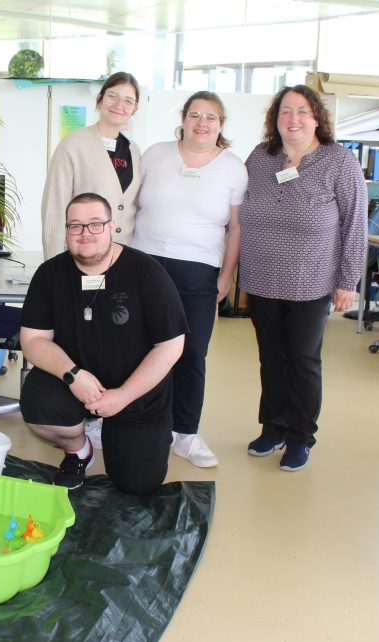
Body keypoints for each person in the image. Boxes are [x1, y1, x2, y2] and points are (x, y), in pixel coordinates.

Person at [19, 193, 187, 494]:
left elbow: (171, 345)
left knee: (138, 482)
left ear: (112, 227)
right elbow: (33, 340)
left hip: (135, 390)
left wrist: (122, 396)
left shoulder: (148, 274)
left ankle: (131, 433)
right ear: (66, 231)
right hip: (76, 380)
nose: (85, 234)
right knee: (38, 407)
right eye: (76, 226)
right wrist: (73, 375)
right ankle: (79, 450)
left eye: (95, 224)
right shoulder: (49, 275)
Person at [239, 84, 367, 472]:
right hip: (261, 277)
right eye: (285, 112)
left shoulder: (339, 162)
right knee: (270, 358)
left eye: (302, 112)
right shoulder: (260, 158)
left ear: (317, 119)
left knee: (302, 359)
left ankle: (300, 436)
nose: (293, 119)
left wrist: (349, 280)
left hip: (310, 280)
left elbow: (355, 223)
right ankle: (273, 427)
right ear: (274, 120)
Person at [132, 91, 248, 469]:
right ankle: (130, 420)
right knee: (137, 346)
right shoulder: (155, 154)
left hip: (199, 269)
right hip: (145, 262)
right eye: (195, 114)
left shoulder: (233, 168)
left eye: (210, 117)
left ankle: (185, 433)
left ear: (221, 125)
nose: (202, 122)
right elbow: (128, 206)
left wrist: (227, 275)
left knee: (192, 351)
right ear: (183, 118)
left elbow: (236, 228)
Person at [41, 72, 142, 261]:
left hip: (121, 260)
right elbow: (53, 212)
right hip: (80, 258)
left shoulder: (134, 151)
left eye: (128, 101)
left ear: (135, 108)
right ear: (99, 99)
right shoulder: (73, 145)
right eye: (113, 96)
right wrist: (53, 269)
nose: (119, 105)